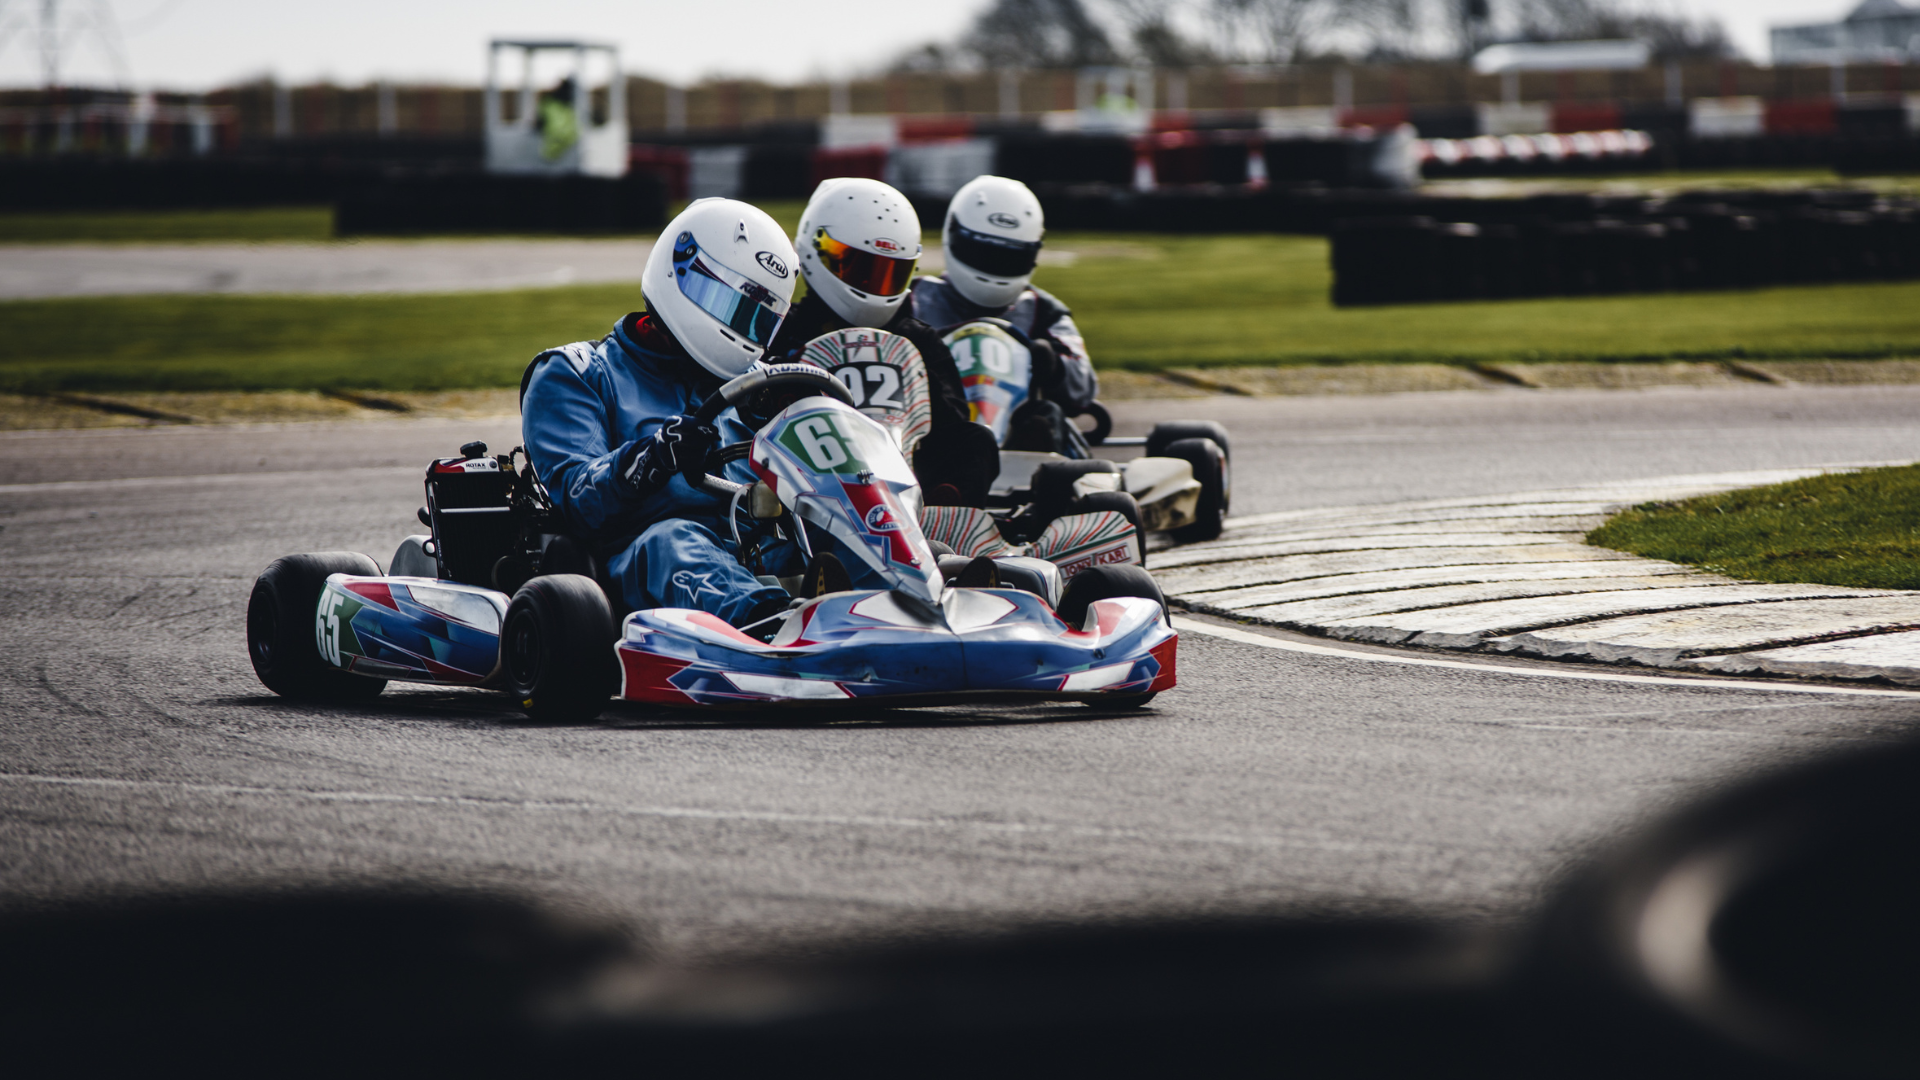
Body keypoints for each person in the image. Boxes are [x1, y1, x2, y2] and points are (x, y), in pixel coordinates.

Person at [520, 198, 798, 633]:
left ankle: (897, 604)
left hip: (749, 549)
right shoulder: (579, 373)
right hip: (631, 564)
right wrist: (653, 457)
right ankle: (773, 630)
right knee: (674, 540)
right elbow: (577, 501)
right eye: (731, 307)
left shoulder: (758, 386)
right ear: (682, 274)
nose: (741, 331)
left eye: (755, 319)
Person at [769, 176, 999, 506]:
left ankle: (941, 522)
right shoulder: (782, 334)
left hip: (908, 480)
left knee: (976, 440)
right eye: (862, 269)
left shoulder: (918, 341)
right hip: (808, 478)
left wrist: (923, 384)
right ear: (818, 249)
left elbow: (954, 423)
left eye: (889, 272)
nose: (874, 286)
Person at [909, 175, 1098, 453]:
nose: (993, 266)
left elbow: (1083, 391)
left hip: (1014, 440)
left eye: (1008, 257)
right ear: (954, 235)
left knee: (1045, 414)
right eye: (983, 252)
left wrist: (1053, 365)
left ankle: (1033, 469)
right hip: (932, 435)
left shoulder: (1042, 311)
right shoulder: (914, 300)